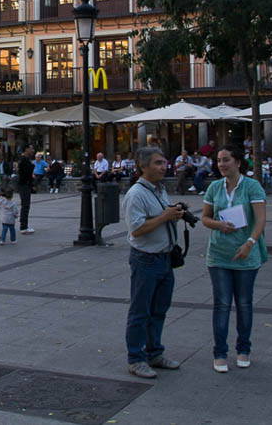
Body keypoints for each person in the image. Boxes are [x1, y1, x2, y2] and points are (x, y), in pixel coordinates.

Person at [200, 145, 268, 373]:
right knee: (221, 304)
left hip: (245, 253)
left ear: (238, 162)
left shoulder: (252, 187)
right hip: (219, 254)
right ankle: (220, 353)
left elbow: (260, 220)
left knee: (244, 302)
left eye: (226, 160)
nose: (221, 164)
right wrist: (219, 224)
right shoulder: (214, 188)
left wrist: (250, 242)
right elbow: (205, 218)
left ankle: (243, 349)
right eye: (219, 160)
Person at [122, 145, 183, 378]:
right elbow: (136, 229)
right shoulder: (136, 194)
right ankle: (136, 358)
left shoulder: (159, 189)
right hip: (146, 259)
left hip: (165, 258)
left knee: (159, 309)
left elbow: (160, 216)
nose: (163, 166)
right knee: (140, 311)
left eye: (164, 162)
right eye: (157, 163)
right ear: (143, 166)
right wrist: (164, 217)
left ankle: (154, 352)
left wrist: (173, 213)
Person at [17, 147, 36, 234]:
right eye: (31, 149)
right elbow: (26, 173)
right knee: (25, 205)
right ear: (26, 149)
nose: (33, 151)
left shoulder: (26, 159)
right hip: (24, 185)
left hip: (25, 184)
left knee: (25, 205)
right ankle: (23, 226)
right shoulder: (24, 160)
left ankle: (24, 225)